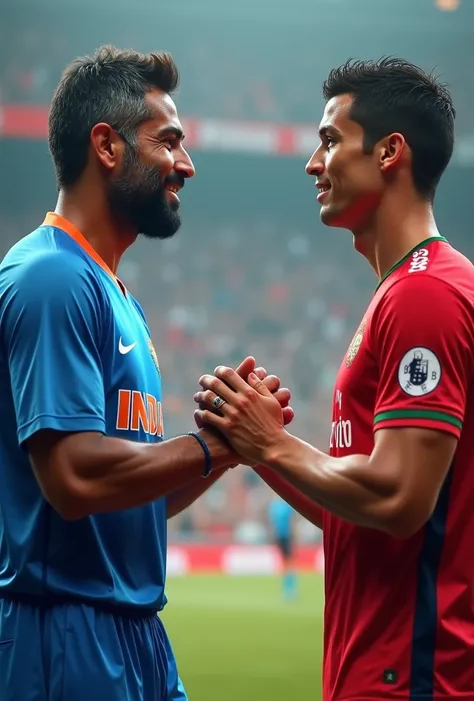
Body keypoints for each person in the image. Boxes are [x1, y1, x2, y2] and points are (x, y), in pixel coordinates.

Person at [0, 46, 293, 701]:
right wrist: (206, 447)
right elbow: (74, 478)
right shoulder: (51, 278)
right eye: (169, 141)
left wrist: (226, 451)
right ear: (106, 146)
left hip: (134, 634)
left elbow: (135, 505)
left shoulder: (115, 295)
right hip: (64, 635)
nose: (186, 164)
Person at [194, 58, 474, 700]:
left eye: (329, 140)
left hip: (414, 677)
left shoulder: (425, 295)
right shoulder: (400, 293)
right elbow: (362, 514)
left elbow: (399, 500)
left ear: (389, 153)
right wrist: (255, 447)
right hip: (381, 672)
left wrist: (273, 444)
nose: (312, 164)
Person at [267, 497, 298, 600]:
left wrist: (293, 536)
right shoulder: (276, 505)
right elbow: (274, 523)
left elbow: (291, 522)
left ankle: (290, 588)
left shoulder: (282, 505)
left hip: (285, 536)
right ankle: (288, 588)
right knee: (286, 563)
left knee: (288, 563)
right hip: (281, 537)